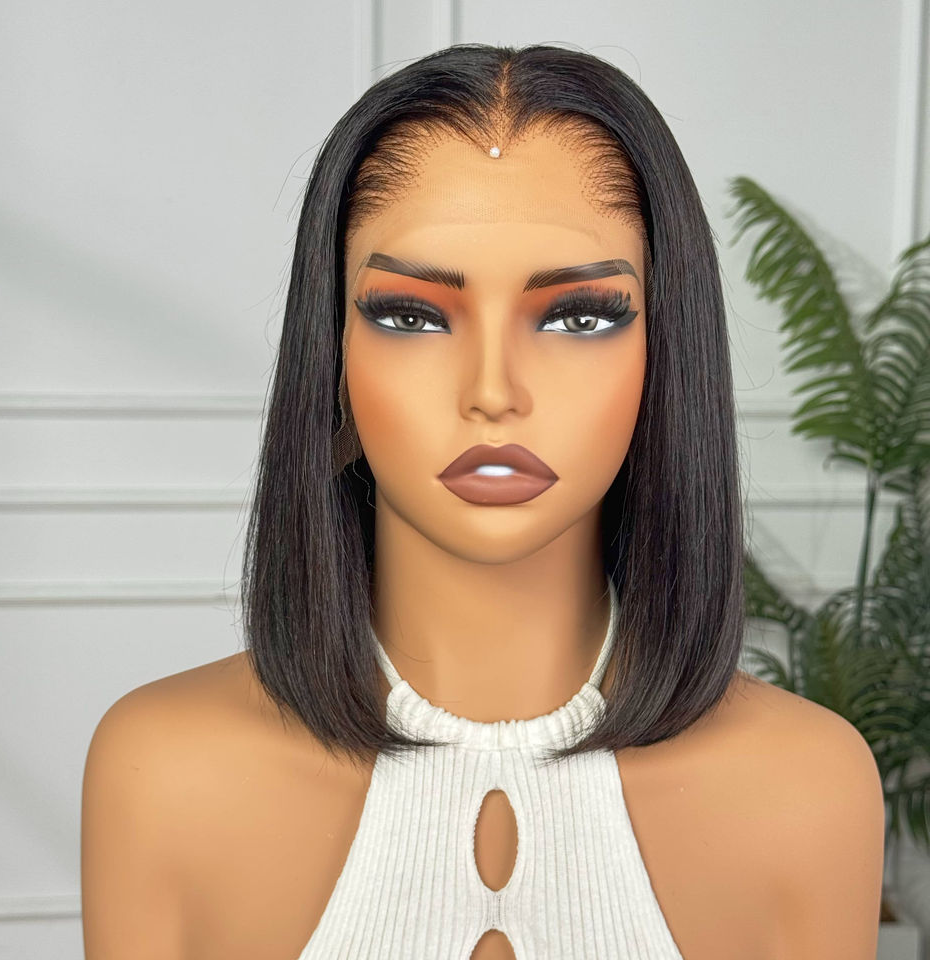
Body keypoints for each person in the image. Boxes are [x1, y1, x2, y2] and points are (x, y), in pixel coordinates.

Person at [81, 42, 885, 959]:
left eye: (579, 317)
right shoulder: (161, 774)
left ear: (664, 356)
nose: (493, 391)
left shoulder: (810, 791)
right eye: (411, 316)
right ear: (331, 358)